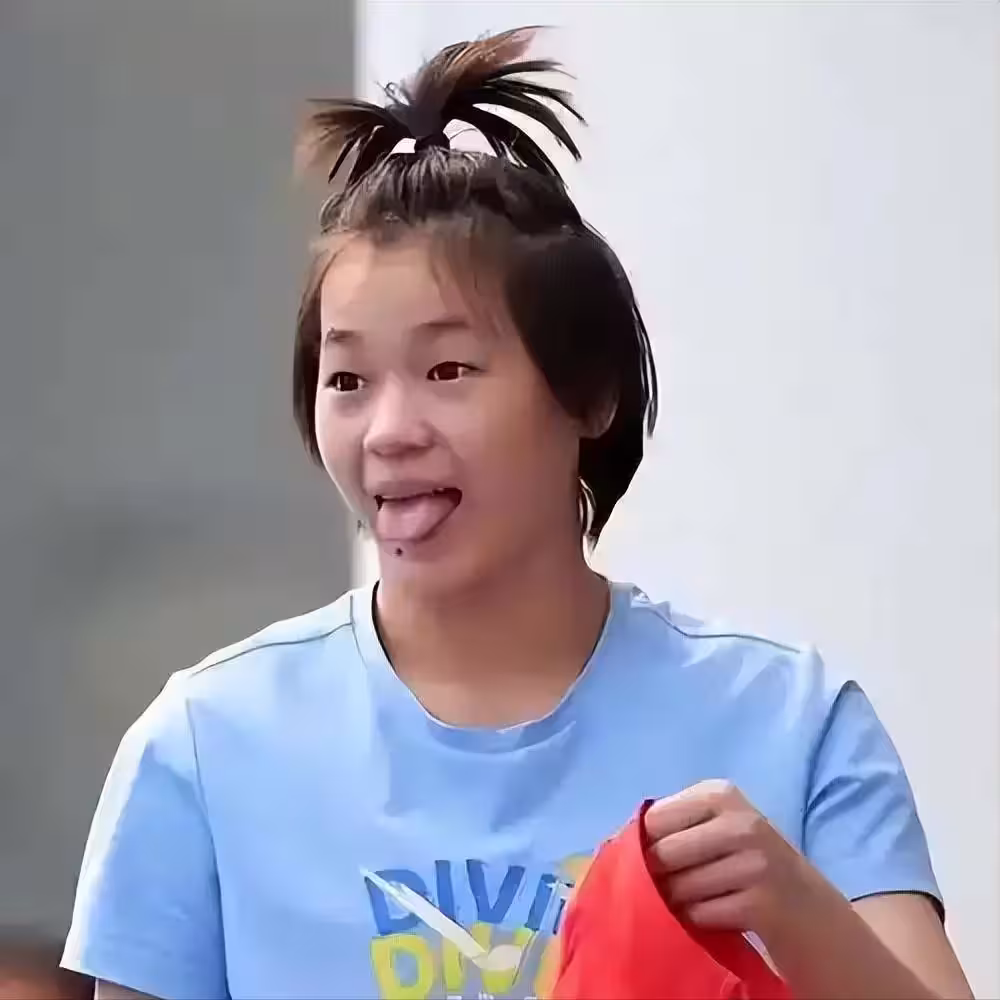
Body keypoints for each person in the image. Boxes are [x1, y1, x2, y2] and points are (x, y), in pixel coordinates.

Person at [62, 27, 972, 1000]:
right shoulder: (204, 749)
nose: (388, 431)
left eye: (448, 369)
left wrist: (795, 909)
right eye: (348, 379)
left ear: (591, 396)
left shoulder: (792, 723)